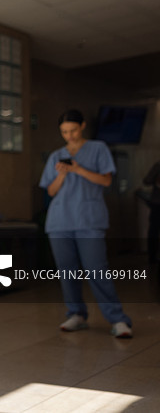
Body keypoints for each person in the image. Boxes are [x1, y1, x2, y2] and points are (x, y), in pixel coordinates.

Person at [39, 109, 132, 338]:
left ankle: (118, 319)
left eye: (72, 130)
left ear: (82, 126)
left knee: (97, 270)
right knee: (67, 272)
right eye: (64, 132)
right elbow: (51, 190)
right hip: (60, 222)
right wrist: (62, 174)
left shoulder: (98, 149)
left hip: (89, 220)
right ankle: (76, 314)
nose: (69, 135)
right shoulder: (55, 156)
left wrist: (77, 169)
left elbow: (106, 180)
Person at [142, 160, 160, 264]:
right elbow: (146, 181)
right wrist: (156, 180)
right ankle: (152, 256)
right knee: (154, 230)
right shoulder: (157, 166)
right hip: (157, 203)